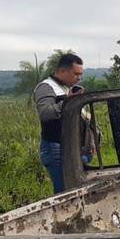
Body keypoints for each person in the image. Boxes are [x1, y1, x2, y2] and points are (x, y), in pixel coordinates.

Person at [35, 53, 84, 193]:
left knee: (76, 189)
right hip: (55, 147)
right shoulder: (46, 87)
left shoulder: (68, 89)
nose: (79, 78)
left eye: (80, 74)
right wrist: (68, 102)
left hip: (73, 146)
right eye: (76, 74)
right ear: (63, 71)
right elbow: (45, 113)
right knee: (64, 191)